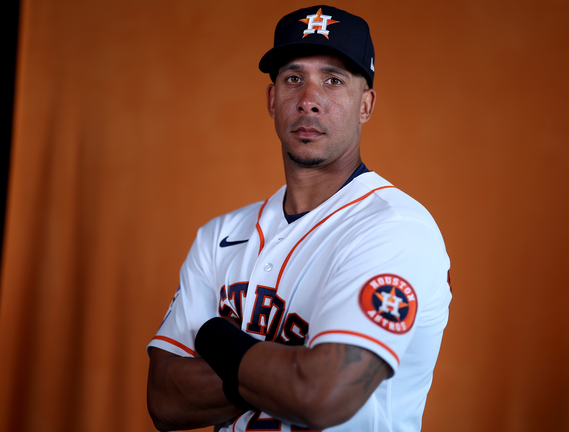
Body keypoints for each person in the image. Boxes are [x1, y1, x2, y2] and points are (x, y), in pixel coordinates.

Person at [146, 5, 452, 432]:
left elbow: (323, 395)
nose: (309, 101)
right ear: (272, 100)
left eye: (333, 80)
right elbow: (164, 399)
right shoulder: (218, 236)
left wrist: (221, 342)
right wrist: (286, 365)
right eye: (293, 79)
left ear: (366, 105)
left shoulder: (396, 229)